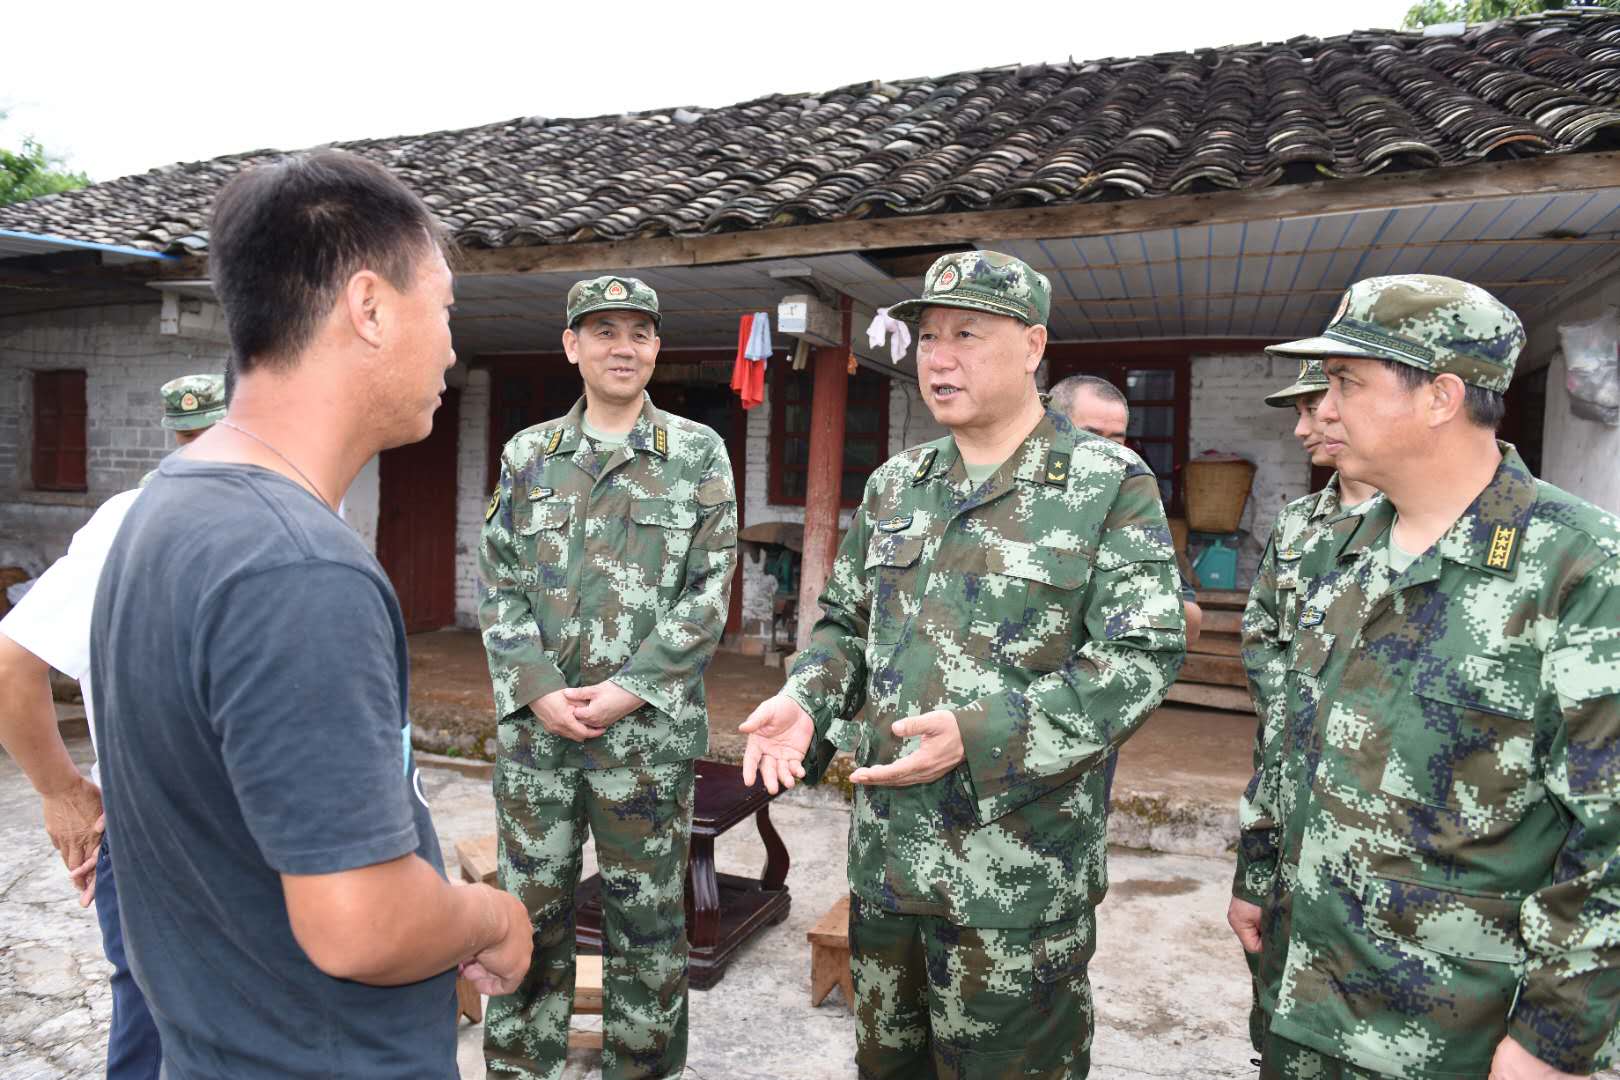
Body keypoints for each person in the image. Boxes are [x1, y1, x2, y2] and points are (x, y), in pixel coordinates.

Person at [89, 150, 532, 1079]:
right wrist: (494, 914)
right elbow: (360, 926)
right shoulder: (295, 567)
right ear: (369, 307)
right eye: (443, 309)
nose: (453, 347)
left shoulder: (167, 508)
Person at [739, 250, 1187, 1076]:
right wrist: (807, 699)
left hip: (1017, 881)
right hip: (887, 869)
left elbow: (1141, 654)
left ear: (1031, 346)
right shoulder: (897, 484)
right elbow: (844, 626)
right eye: (928, 336)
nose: (938, 358)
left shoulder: (1106, 483)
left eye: (966, 335)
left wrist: (982, 734)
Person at [1233, 274, 1620, 1079]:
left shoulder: (1581, 568)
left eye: (1347, 381)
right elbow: (1289, 743)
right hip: (1300, 998)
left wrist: (1555, 1038)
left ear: (1441, 396)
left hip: (1453, 1031)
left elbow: (1608, 837)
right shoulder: (1340, 552)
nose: (1323, 408)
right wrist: (1257, 874)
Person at [479, 275, 737, 1080]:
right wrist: (535, 687)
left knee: (648, 924)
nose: (622, 348)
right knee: (529, 917)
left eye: (639, 333)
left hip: (646, 740)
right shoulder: (529, 455)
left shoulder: (697, 453)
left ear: (657, 348)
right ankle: (523, 1068)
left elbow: (709, 588)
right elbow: (500, 582)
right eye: (603, 332)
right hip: (539, 740)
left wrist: (634, 687)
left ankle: (644, 1070)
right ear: (572, 346)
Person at [0, 370, 224, 1079]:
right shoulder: (145, 519)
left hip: (148, 822)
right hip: (210, 831)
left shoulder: (124, 514)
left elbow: (12, 666)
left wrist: (63, 790)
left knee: (149, 1016)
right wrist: (62, 792)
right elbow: (9, 665)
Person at [1226, 356, 1378, 1052]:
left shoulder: (1427, 527)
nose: (1304, 428)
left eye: (1317, 406)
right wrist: (1254, 868)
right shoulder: (1299, 526)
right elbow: (1272, 689)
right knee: (1282, 1030)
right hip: (1291, 837)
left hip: (1387, 877)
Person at [1051, 372, 1203, 811]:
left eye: (1117, 438)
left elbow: (1190, 624)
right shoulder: (1013, 499)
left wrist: (1147, 604)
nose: (1107, 450)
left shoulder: (1130, 516)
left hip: (1083, 720)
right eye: (1091, 435)